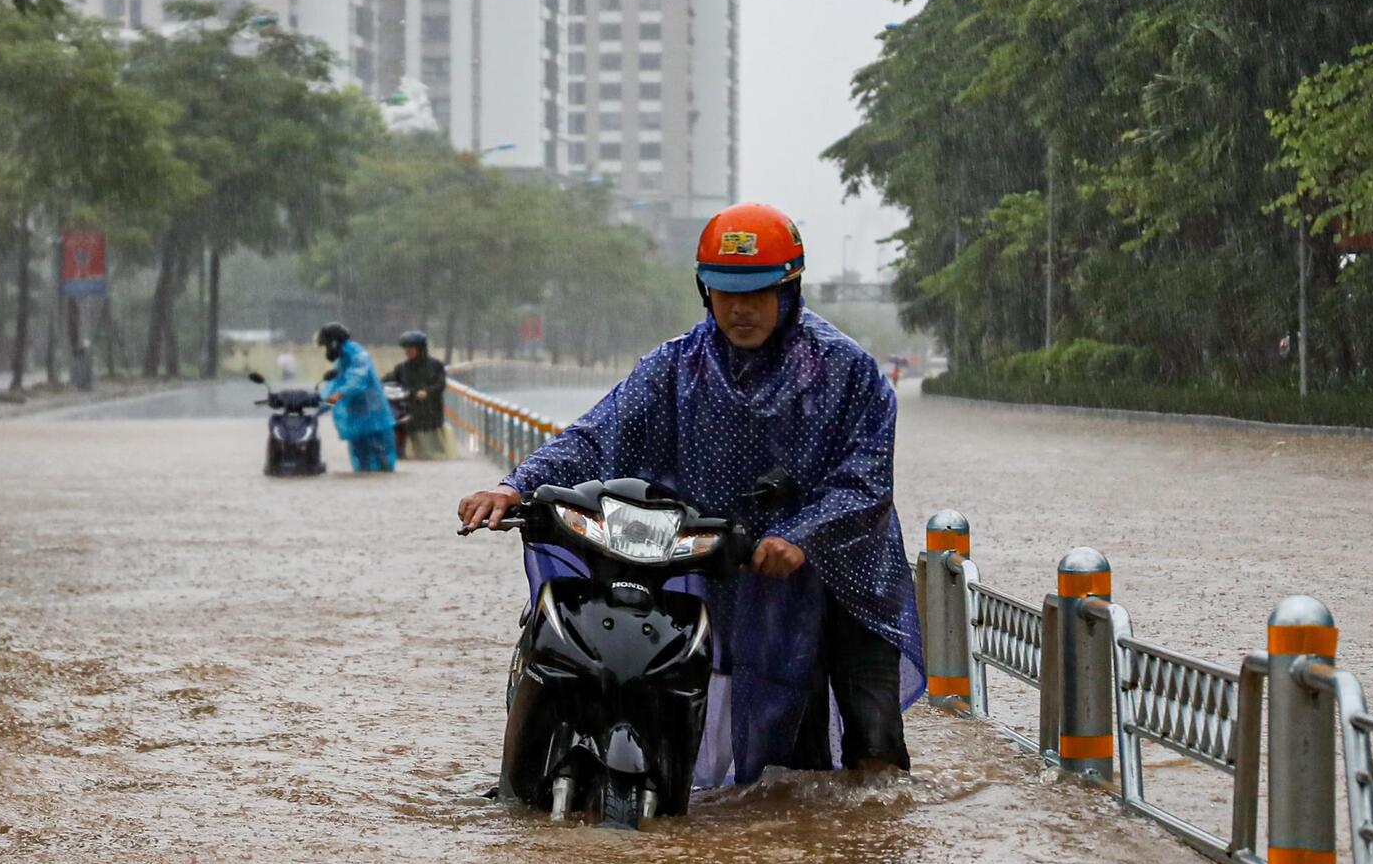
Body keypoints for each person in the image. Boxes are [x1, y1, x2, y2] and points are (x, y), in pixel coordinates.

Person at [457, 202, 924, 786]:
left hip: (847, 575)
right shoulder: (677, 366)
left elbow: (865, 482)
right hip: (744, 571)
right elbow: (597, 434)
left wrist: (800, 537)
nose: (740, 309)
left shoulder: (848, 371)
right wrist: (514, 485)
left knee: (872, 744)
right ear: (705, 292)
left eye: (757, 293)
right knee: (789, 757)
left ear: (791, 288)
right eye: (725, 293)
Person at [317, 322, 396, 472]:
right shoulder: (343, 360)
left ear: (333, 343)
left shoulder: (358, 355)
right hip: (356, 415)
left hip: (373, 414)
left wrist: (339, 394)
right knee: (361, 459)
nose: (327, 350)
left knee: (381, 456)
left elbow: (357, 379)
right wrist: (317, 404)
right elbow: (333, 385)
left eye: (327, 345)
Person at [385, 329, 451, 460]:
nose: (407, 352)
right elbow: (390, 381)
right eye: (406, 349)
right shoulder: (401, 368)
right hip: (410, 411)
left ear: (420, 349)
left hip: (431, 413)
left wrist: (427, 392)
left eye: (411, 348)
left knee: (432, 451)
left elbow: (441, 384)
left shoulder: (436, 365)